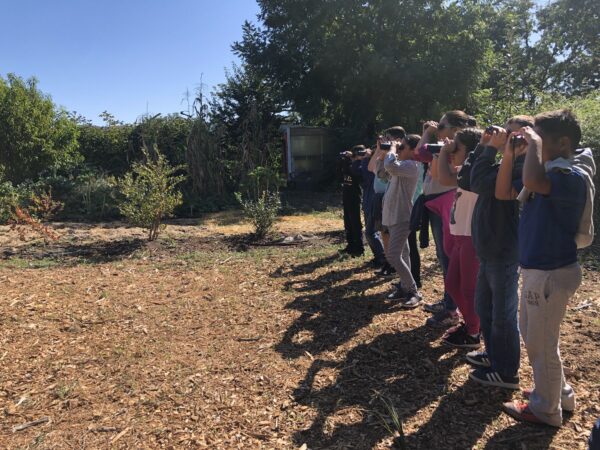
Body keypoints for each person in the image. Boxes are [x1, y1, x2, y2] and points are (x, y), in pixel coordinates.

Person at [502, 109, 596, 427]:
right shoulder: (554, 172)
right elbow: (516, 186)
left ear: (564, 142)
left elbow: (531, 181)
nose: (534, 145)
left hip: (550, 273)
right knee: (538, 338)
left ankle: (545, 408)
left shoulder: (569, 177)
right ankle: (560, 393)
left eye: (541, 139)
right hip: (539, 270)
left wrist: (534, 145)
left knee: (541, 343)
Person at [464, 115, 534, 390]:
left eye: (514, 137)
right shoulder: (504, 162)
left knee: (504, 315)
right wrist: (483, 146)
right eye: (506, 134)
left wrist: (494, 150)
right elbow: (468, 179)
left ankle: (507, 372)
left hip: (504, 247)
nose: (508, 140)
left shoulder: (523, 168)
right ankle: (494, 356)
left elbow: (481, 183)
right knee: (485, 307)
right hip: (488, 246)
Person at [415, 111, 477, 328]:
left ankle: (453, 310)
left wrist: (433, 139)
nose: (438, 130)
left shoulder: (461, 149)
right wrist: (429, 134)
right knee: (445, 257)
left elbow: (422, 154)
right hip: (436, 203)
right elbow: (421, 152)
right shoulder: (446, 148)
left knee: (450, 258)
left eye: (441, 126)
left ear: (456, 130)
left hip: (447, 202)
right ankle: (450, 302)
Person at [428, 127, 482, 347]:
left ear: (468, 150)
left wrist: (443, 152)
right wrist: (446, 152)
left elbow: (444, 177)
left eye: (456, 146)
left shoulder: (476, 170)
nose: (451, 148)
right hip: (460, 236)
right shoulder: (465, 168)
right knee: (452, 283)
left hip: (471, 237)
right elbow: (441, 176)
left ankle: (474, 332)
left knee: (469, 289)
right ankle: (471, 324)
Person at [382, 133, 422, 308]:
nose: (399, 149)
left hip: (402, 216)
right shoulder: (401, 164)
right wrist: (381, 150)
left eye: (402, 147)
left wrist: (391, 149)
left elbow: (389, 166)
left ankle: (413, 291)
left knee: (392, 255)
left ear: (413, 150)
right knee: (403, 254)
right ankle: (405, 286)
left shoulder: (412, 165)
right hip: (393, 215)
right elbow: (381, 170)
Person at [360, 147, 386, 267]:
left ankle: (382, 258)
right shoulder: (376, 163)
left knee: (372, 232)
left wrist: (366, 159)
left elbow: (366, 171)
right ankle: (381, 257)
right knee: (374, 232)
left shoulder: (383, 164)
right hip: (370, 202)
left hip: (375, 202)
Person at [339, 145, 364, 257]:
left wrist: (355, 160)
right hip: (346, 196)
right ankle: (350, 246)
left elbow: (356, 174)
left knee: (355, 223)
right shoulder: (349, 164)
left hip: (354, 196)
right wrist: (344, 159)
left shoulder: (360, 165)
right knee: (348, 223)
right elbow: (340, 173)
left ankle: (359, 248)